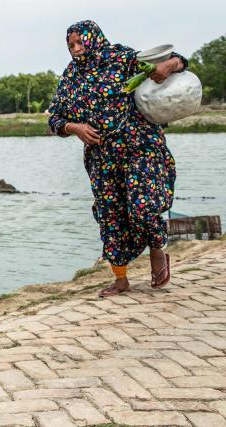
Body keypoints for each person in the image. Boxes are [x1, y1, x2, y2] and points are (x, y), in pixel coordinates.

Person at [48, 21, 188, 297]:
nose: (76, 49)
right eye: (71, 46)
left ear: (94, 39)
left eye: (80, 42)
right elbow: (54, 118)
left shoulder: (122, 59)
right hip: (102, 157)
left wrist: (166, 67)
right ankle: (120, 279)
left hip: (140, 147)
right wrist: (74, 128)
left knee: (143, 206)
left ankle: (157, 250)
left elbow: (180, 61)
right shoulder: (71, 76)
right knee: (110, 216)